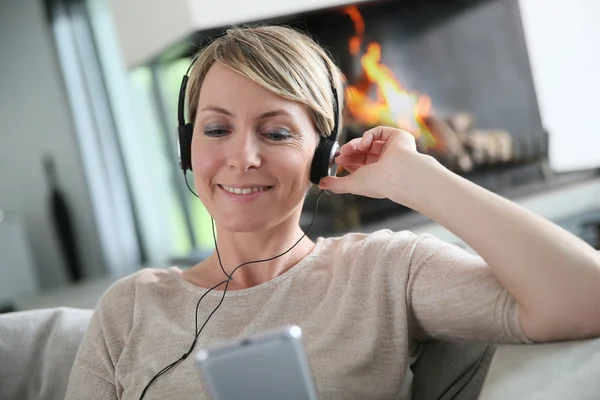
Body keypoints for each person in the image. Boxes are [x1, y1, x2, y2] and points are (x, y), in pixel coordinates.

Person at [65, 25, 600, 400]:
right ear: (187, 146)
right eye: (216, 128)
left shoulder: (384, 271)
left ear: (321, 152)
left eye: (276, 133)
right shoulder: (131, 308)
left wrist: (418, 178)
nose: (241, 157)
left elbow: (586, 298)